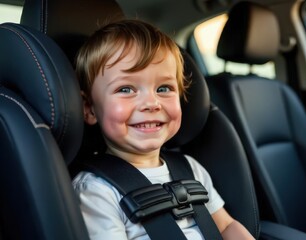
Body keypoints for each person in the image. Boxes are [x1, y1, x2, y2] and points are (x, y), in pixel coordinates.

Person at [72, 19, 254, 240]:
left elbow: (226, 227)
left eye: (164, 88)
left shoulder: (191, 169)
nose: (151, 103)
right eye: (126, 89)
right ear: (90, 109)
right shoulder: (95, 191)